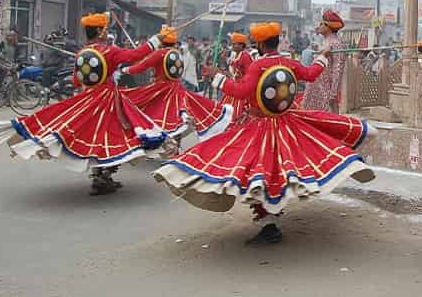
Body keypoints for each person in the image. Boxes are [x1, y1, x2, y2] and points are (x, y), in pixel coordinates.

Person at [152, 21, 377, 245]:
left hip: (261, 126)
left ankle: (270, 225)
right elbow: (310, 74)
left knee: (258, 174)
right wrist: (323, 56)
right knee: (277, 171)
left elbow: (241, 91)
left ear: (260, 44)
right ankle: (271, 220)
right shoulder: (288, 61)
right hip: (286, 124)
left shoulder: (257, 66)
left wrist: (217, 78)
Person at [0, 13, 170, 195]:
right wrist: (156, 40)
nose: (106, 32)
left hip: (88, 99)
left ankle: (100, 176)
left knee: (93, 136)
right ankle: (104, 176)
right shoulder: (110, 51)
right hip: (108, 100)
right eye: (105, 29)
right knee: (114, 137)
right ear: (101, 32)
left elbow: (77, 81)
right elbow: (135, 55)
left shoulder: (82, 53)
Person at [120, 27, 230, 142]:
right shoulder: (177, 53)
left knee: (149, 112)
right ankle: (175, 143)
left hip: (162, 89)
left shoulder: (160, 54)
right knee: (176, 117)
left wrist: (125, 70)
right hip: (177, 88)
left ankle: (161, 141)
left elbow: (140, 67)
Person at [301, 11, 346, 112]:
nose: (319, 26)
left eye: (322, 23)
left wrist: (333, 93)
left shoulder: (336, 43)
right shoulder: (325, 41)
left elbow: (338, 69)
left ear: (328, 26)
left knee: (329, 120)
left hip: (326, 90)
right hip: (316, 88)